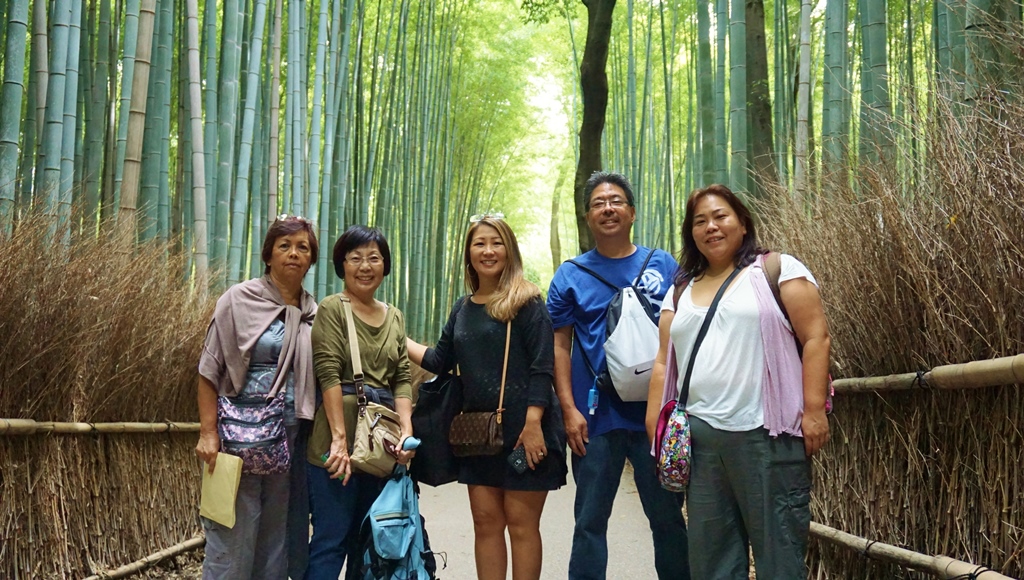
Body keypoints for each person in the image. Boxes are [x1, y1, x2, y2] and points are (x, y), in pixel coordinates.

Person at [646, 184, 831, 579]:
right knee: (712, 560)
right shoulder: (681, 288)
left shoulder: (776, 270)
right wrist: (654, 424)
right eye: (700, 221)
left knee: (779, 552)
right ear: (690, 233)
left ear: (742, 223)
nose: (711, 227)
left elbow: (816, 336)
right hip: (702, 441)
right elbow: (663, 360)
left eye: (720, 216)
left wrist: (814, 409)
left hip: (766, 435)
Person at [408, 215, 567, 580]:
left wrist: (532, 424)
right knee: (485, 523)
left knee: (521, 525)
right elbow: (439, 361)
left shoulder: (527, 302)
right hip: (479, 432)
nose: (488, 250)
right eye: (480, 243)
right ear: (469, 252)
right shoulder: (463, 308)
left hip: (525, 429)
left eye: (496, 242)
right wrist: (391, 329)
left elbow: (543, 368)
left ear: (509, 250)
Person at [547, 171, 689, 580]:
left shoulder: (663, 265)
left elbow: (685, 333)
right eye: (597, 203)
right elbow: (560, 345)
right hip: (595, 418)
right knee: (590, 522)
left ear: (631, 212)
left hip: (655, 415)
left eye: (615, 201)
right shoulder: (570, 274)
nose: (607, 208)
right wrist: (568, 409)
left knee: (667, 520)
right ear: (588, 216)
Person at [195, 215, 319, 579]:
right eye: (285, 246)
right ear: (268, 255)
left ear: (311, 259)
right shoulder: (239, 300)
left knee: (277, 535)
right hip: (238, 438)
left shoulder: (315, 312)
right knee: (233, 530)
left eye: (303, 247)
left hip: (292, 437)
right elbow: (208, 368)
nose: (294, 254)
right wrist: (208, 432)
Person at [304, 225, 416, 580]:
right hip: (338, 440)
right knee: (331, 537)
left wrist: (406, 435)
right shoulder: (333, 308)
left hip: (381, 442)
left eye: (373, 258)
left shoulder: (395, 316)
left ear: (385, 265)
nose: (365, 266)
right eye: (355, 258)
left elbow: (402, 378)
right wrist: (339, 439)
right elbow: (328, 373)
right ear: (342, 265)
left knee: (367, 540)